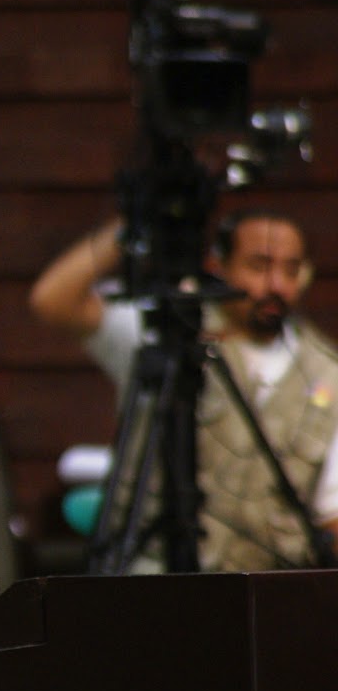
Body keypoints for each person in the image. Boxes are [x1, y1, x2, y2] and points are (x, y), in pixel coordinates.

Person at [29, 209, 338, 570]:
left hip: (263, 585)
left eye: (291, 269)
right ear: (218, 266)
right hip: (155, 576)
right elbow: (54, 301)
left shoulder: (326, 373)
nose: (276, 286)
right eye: (258, 266)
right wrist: (141, 216)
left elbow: (331, 511)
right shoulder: (165, 332)